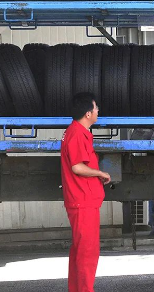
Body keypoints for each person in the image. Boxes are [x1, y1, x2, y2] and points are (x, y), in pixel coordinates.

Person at [61, 92, 111, 292]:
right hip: (83, 201)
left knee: (80, 252)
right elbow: (77, 167)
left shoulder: (77, 132)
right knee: (87, 254)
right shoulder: (77, 134)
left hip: (83, 201)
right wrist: (100, 172)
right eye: (96, 107)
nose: (98, 110)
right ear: (88, 113)